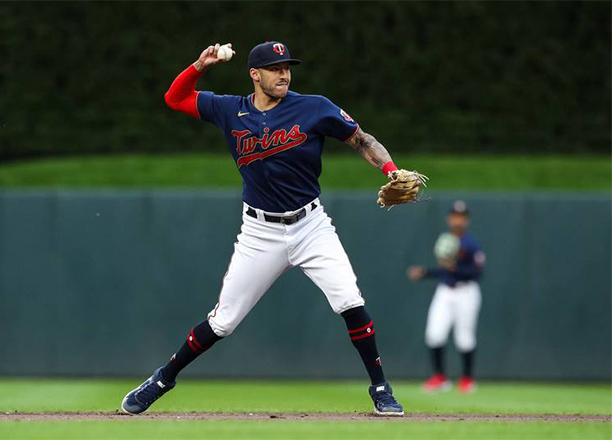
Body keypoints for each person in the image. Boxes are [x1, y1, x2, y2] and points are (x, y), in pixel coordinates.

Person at [121, 41, 417, 416]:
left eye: (287, 67)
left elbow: (361, 139)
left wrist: (392, 171)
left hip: (311, 226)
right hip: (260, 233)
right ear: (255, 75)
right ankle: (162, 379)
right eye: (275, 68)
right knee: (223, 322)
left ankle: (381, 388)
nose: (284, 74)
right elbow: (175, 98)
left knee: (349, 300)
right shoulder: (229, 109)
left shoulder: (314, 107)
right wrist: (200, 65)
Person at [407, 200, 485, 393]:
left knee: (464, 338)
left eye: (461, 217)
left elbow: (476, 272)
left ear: (466, 220)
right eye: (454, 216)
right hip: (445, 291)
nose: (457, 220)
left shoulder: (471, 244)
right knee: (434, 334)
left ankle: (467, 379)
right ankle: (439, 377)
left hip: (466, 291)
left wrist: (455, 268)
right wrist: (425, 273)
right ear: (449, 218)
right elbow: (445, 271)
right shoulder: (447, 240)